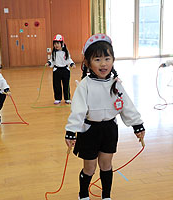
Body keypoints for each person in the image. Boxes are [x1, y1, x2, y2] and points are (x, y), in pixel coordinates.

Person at [64, 34, 145, 200]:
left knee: (106, 164)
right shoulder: (85, 85)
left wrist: (137, 125)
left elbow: (127, 105)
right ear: (87, 63)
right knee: (90, 167)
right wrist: (71, 131)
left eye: (107, 58)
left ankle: (106, 195)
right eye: (97, 59)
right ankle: (83, 194)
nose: (103, 64)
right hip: (89, 130)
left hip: (109, 129)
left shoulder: (116, 84)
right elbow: (78, 110)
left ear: (113, 60)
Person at [45, 34, 75, 104]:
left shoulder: (66, 52)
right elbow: (52, 60)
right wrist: (49, 63)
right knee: (56, 85)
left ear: (62, 44)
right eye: (55, 44)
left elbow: (69, 59)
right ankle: (58, 98)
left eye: (58, 43)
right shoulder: (54, 53)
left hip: (65, 70)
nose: (56, 45)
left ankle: (67, 98)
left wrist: (72, 64)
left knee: (66, 85)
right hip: (57, 70)